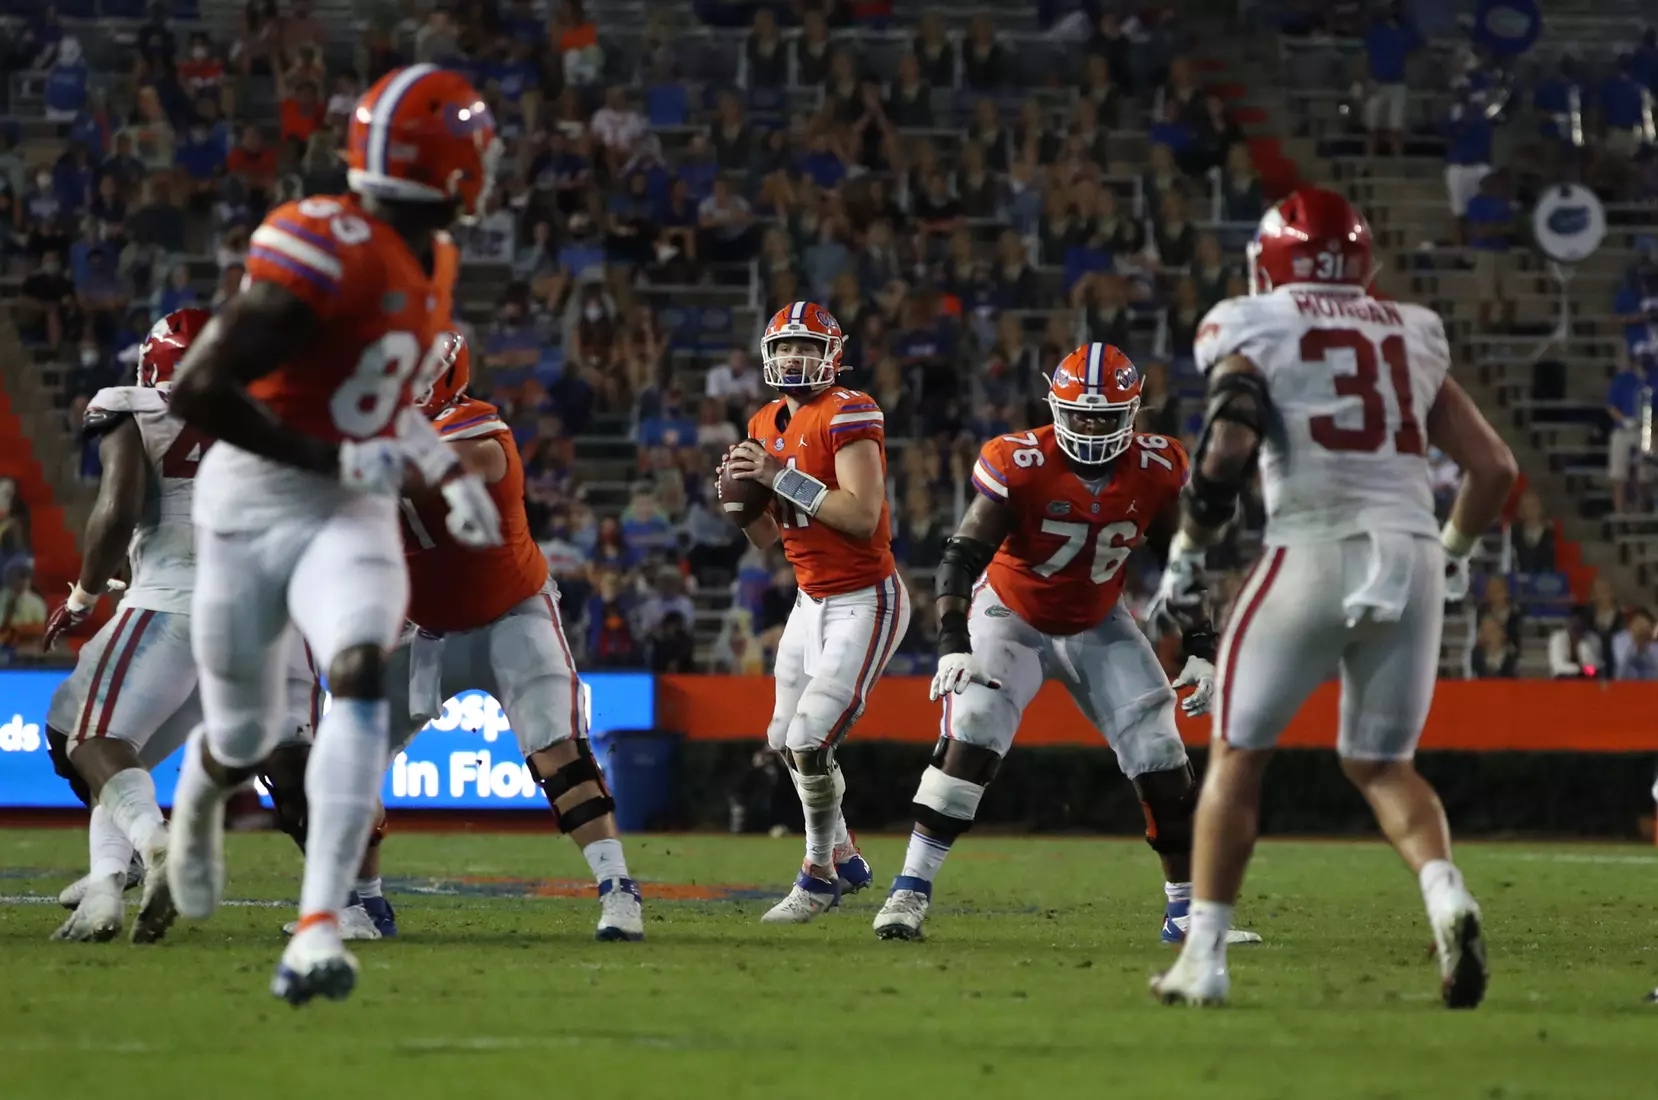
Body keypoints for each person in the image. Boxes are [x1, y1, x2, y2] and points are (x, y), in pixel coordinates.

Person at [161, 65, 504, 1008]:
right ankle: (200, 798)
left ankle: (319, 924)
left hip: (348, 509)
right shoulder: (323, 242)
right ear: (451, 168)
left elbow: (384, 404)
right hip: (253, 502)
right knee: (244, 733)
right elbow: (198, 389)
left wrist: (443, 474)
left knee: (356, 670)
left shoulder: (433, 258)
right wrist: (331, 458)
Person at [1152, 187, 1516, 1009]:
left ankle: (1203, 959)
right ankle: (1447, 897)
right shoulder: (1410, 329)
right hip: (1411, 551)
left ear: (1270, 261)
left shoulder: (1253, 321)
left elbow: (1229, 444)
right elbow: (1495, 468)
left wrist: (1189, 549)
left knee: (1238, 756)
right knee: (1382, 765)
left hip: (1311, 545)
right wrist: (1452, 554)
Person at [872, 343, 1250, 948]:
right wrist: (953, 643)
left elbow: (1182, 561)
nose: (1092, 428)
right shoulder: (1020, 461)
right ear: (1055, 407)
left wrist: (1202, 645)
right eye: (1080, 415)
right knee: (973, 728)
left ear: (1133, 413)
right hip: (1011, 615)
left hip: (1098, 618)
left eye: (1105, 417)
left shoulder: (1157, 466)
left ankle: (1186, 915)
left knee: (1161, 751)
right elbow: (961, 555)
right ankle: (909, 891)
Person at [37, 309, 325, 944]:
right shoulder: (272, 414)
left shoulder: (134, 404)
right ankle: (106, 883)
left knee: (87, 739)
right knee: (125, 757)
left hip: (177, 601)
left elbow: (117, 510)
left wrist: (84, 596)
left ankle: (156, 846)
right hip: (269, 616)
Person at [379, 332, 644, 940]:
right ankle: (359, 903)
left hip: (511, 617)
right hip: (427, 629)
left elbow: (425, 476)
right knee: (344, 758)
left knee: (559, 756)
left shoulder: (477, 428)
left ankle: (618, 890)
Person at [722, 301, 910, 923]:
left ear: (833, 354)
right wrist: (740, 505)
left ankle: (818, 874)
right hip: (811, 600)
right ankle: (845, 853)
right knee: (783, 738)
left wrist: (777, 477)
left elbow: (859, 515)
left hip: (865, 598)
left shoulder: (849, 409)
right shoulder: (763, 420)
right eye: (783, 347)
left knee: (809, 737)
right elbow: (766, 539)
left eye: (806, 346)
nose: (793, 357)